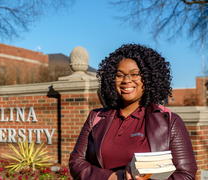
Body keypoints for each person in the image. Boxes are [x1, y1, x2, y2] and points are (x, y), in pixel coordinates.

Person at [69, 44, 197, 180]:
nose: (126, 80)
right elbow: (76, 162)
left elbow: (186, 174)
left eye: (135, 74)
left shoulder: (169, 121)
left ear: (149, 78)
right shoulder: (96, 117)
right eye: (119, 75)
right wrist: (113, 177)